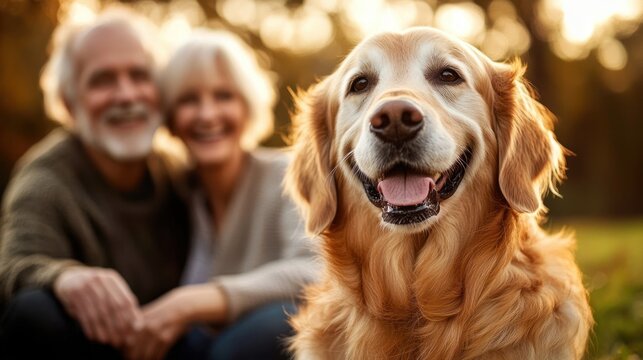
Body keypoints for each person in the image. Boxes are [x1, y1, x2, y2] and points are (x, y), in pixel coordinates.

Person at [0, 8, 190, 359]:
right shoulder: (45, 180)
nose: (126, 95)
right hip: (88, 348)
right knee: (34, 311)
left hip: (172, 346)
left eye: (140, 75)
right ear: (69, 103)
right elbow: (14, 264)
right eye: (103, 80)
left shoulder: (178, 172)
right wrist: (64, 277)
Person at [134, 30, 319, 359]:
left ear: (247, 108)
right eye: (189, 100)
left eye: (223, 96)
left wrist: (191, 303)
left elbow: (314, 269)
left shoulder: (285, 173)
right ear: (171, 119)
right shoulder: (173, 191)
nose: (207, 115)